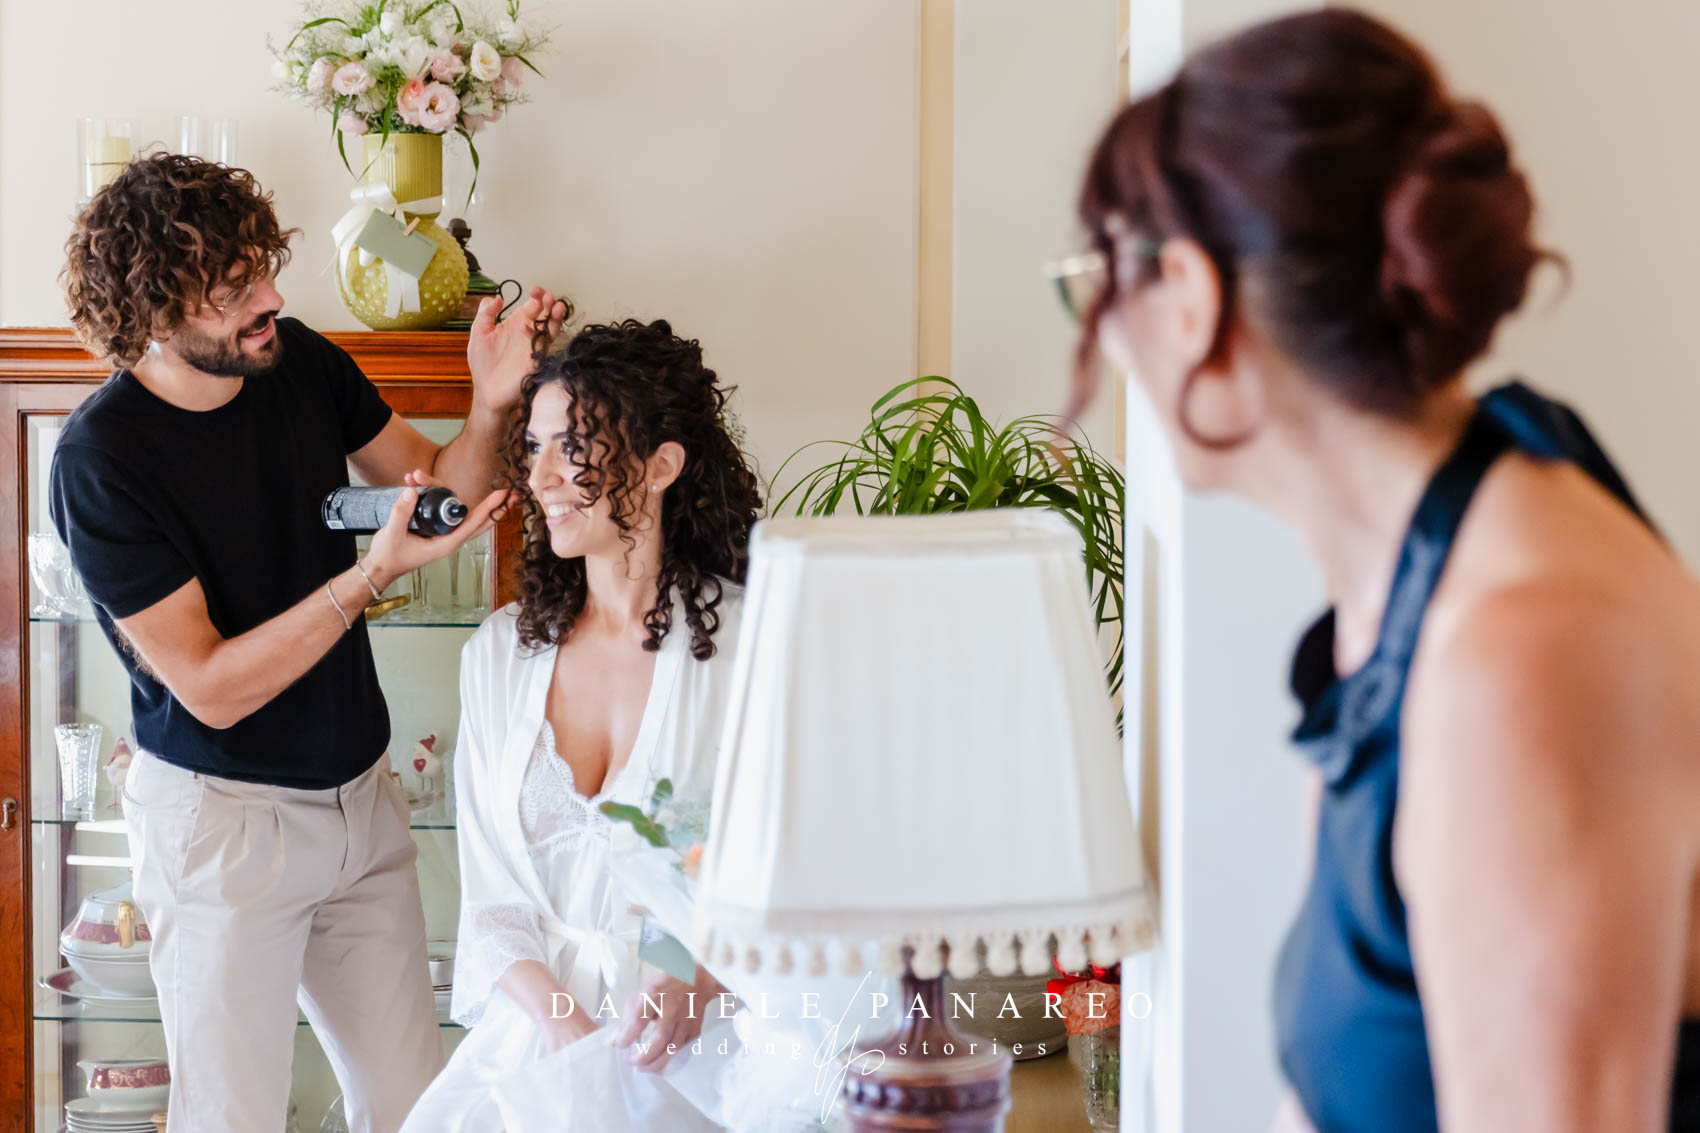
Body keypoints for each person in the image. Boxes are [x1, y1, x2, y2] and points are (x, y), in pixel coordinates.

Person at [1060, 10, 1700, 1132]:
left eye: (1096, 284)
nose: (1101, 335)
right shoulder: (1404, 579)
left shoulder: (1522, 652)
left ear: (1194, 299)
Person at [51, 152, 567, 1132]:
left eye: (262, 270)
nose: (273, 300)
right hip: (224, 829)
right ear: (155, 313)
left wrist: (491, 401)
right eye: (234, 289)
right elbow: (210, 685)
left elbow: (439, 490)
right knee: (233, 1117)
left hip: (359, 803)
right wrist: (369, 575)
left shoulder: (299, 360)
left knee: (418, 1109)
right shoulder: (100, 460)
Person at [400, 318, 763, 1131]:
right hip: (537, 1044)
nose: (541, 476)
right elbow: (492, 903)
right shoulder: (499, 656)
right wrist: (568, 1028)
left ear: (661, 465)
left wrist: (684, 973)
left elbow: (765, 868)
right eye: (534, 447)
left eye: (574, 447)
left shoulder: (749, 647)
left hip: (699, 1051)